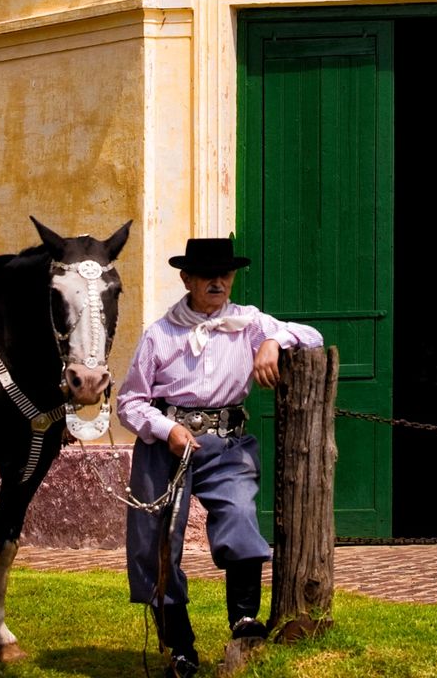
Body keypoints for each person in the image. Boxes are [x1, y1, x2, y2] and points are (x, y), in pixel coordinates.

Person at [116, 237, 323, 678]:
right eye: (207, 274)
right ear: (187, 279)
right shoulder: (159, 333)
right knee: (155, 546)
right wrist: (166, 429)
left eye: (225, 273)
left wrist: (272, 341)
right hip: (165, 446)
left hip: (227, 444)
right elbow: (130, 402)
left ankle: (244, 622)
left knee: (240, 517)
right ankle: (181, 648)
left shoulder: (248, 323)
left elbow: (313, 336)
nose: (218, 281)